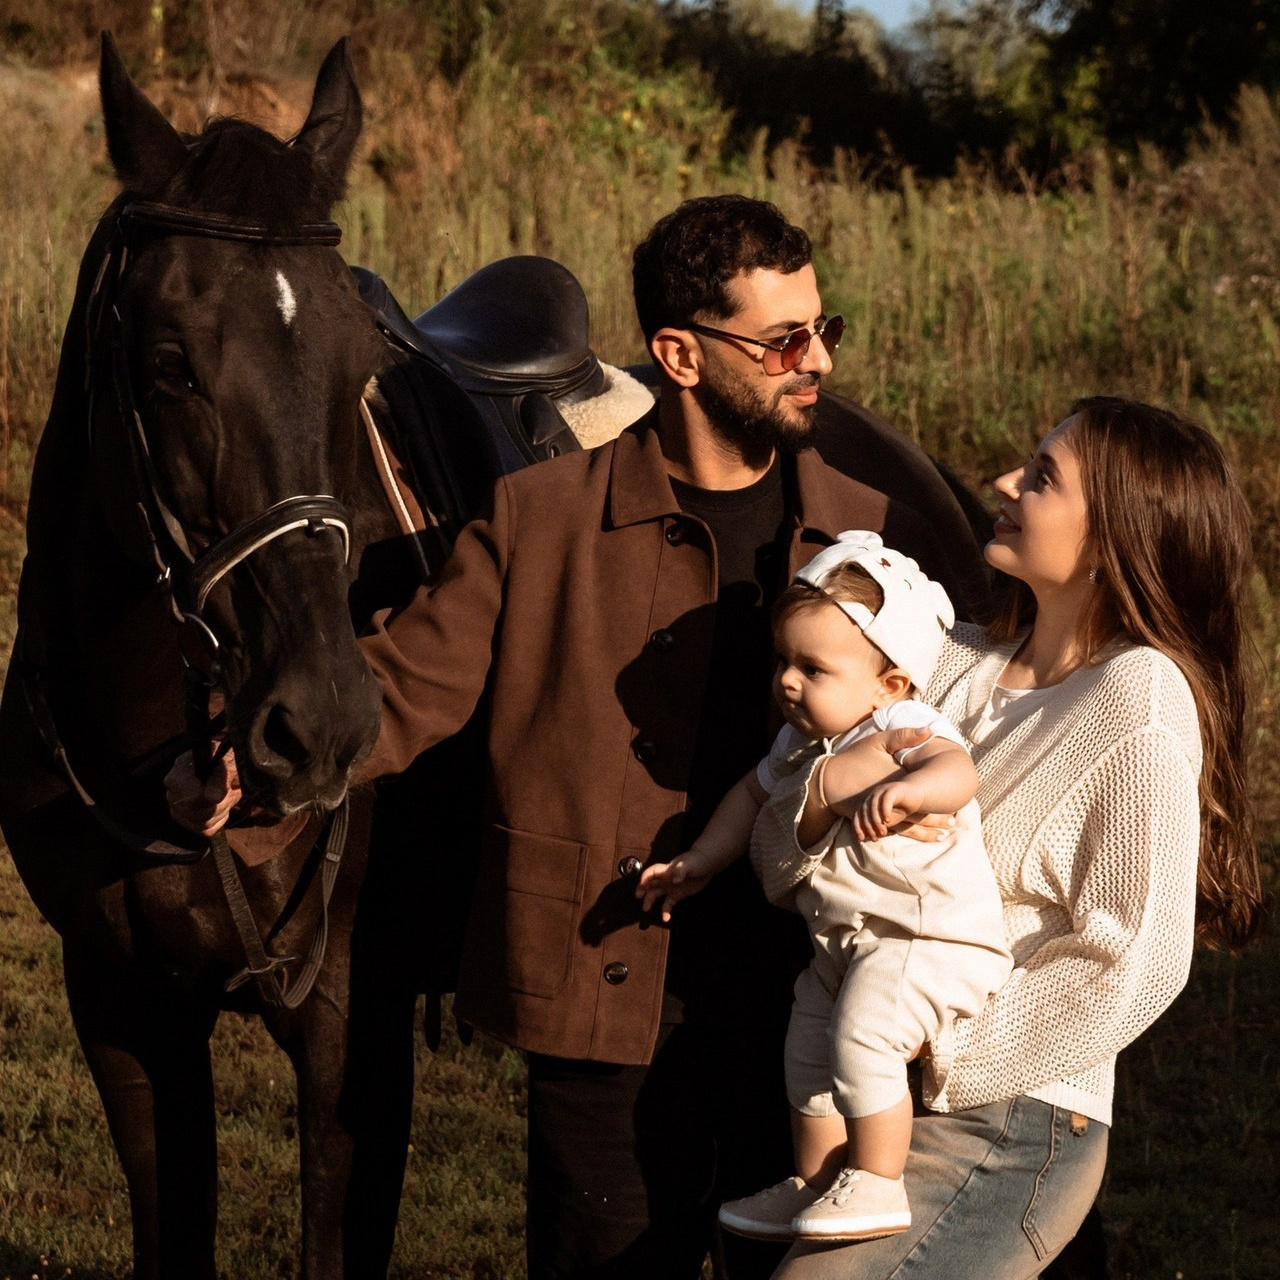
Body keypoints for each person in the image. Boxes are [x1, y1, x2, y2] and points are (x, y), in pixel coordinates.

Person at [168, 194, 981, 1279]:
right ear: (678, 354)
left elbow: (971, 715)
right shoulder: (539, 515)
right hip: (599, 998)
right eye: (782, 339)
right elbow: (407, 682)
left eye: (820, 329)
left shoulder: (866, 529)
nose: (813, 361)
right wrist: (249, 763)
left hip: (815, 998)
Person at [768, 397, 1265, 1280]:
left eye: (1041, 478)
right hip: (872, 1086)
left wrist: (942, 1047)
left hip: (1012, 1116)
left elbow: (1133, 961)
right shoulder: (944, 664)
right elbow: (780, 856)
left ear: (1115, 539)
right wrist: (817, 803)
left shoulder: (1137, 700)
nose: (1004, 482)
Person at [636, 531, 1012, 1245]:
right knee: (807, 1047)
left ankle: (877, 1177)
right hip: (849, 945)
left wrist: (914, 793)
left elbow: (958, 770)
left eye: (813, 668)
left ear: (890, 682)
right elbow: (748, 798)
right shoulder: (798, 746)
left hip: (930, 939)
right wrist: (703, 861)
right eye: (783, 660)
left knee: (860, 1036)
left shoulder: (902, 724)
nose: (787, 681)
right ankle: (816, 1180)